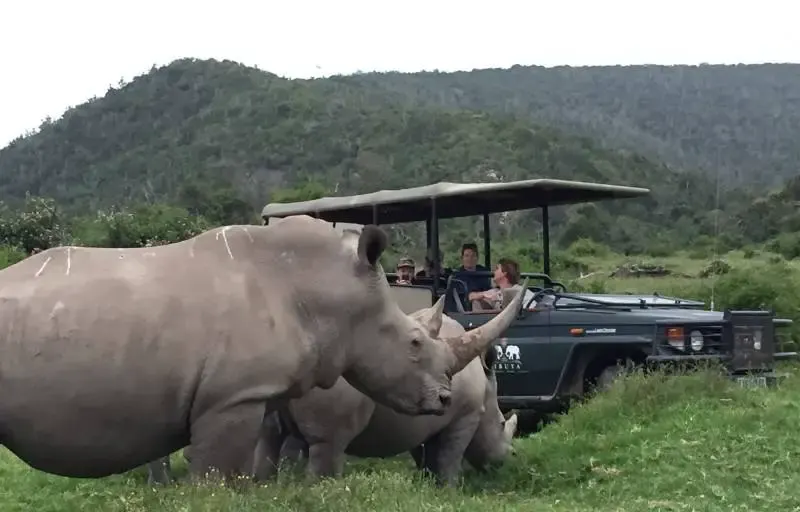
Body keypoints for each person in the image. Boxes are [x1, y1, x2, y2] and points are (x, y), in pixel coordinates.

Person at [471, 257, 536, 311]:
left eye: (497, 268)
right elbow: (470, 296)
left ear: (504, 273)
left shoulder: (521, 291)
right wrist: (484, 295)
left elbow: (533, 309)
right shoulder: (496, 291)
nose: (494, 272)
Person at [455, 243, 492, 308]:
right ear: (462, 258)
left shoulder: (483, 272)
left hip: (487, 301)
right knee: (476, 302)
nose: (470, 259)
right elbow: (469, 296)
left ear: (477, 258)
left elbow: (489, 288)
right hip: (468, 307)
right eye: (467, 256)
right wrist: (484, 294)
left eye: (473, 256)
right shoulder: (458, 276)